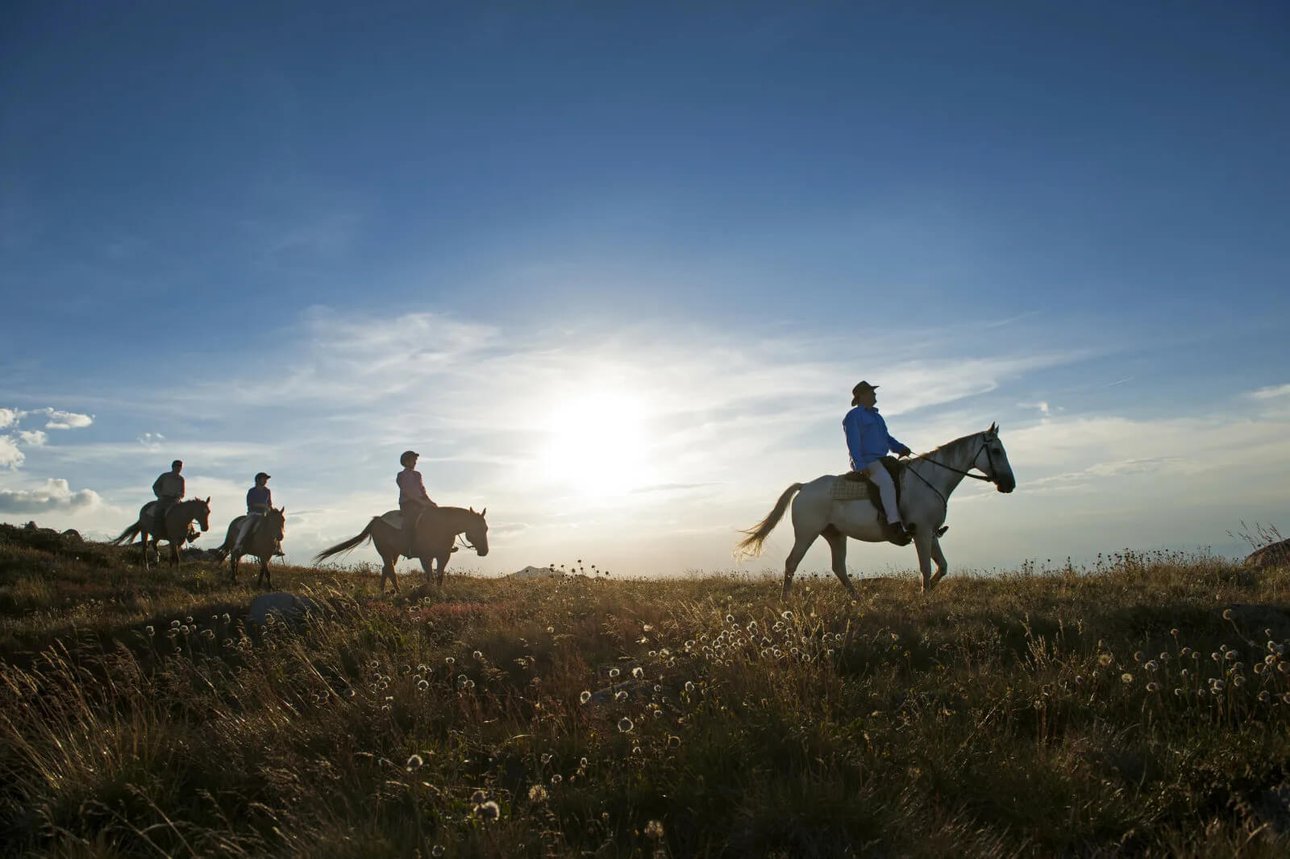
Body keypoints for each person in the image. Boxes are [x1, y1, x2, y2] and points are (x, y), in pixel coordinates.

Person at [843, 381, 912, 541]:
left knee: (909, 479)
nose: (875, 395)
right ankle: (894, 524)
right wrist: (860, 464)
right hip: (868, 461)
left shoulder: (877, 416)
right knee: (886, 483)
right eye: (871, 392)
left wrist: (900, 448)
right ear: (862, 396)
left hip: (883, 459)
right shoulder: (853, 416)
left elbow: (887, 438)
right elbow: (853, 441)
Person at [397, 450, 436, 555]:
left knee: (436, 517)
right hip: (408, 503)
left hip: (420, 502)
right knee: (411, 522)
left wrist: (431, 503)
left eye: (415, 460)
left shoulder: (417, 475)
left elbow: (422, 491)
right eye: (413, 460)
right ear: (406, 462)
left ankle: (438, 545)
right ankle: (409, 548)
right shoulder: (401, 475)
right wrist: (422, 503)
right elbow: (408, 493)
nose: (415, 462)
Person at [232, 472, 279, 555]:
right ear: (258, 480)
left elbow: (269, 503)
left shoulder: (267, 491)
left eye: (266, 479)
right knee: (246, 527)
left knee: (274, 525)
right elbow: (250, 503)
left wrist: (272, 510)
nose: (265, 481)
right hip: (253, 514)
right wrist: (262, 505)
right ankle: (238, 545)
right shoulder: (252, 491)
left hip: (264, 514)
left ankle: (276, 547)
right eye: (263, 479)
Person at [151, 460, 185, 530]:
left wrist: (180, 495)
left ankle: (190, 533)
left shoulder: (181, 479)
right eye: (177, 466)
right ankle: (157, 529)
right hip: (164, 498)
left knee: (186, 512)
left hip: (175, 500)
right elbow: (155, 486)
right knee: (159, 512)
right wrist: (159, 495)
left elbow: (183, 492)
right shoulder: (165, 476)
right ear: (173, 467)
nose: (178, 468)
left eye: (180, 467)